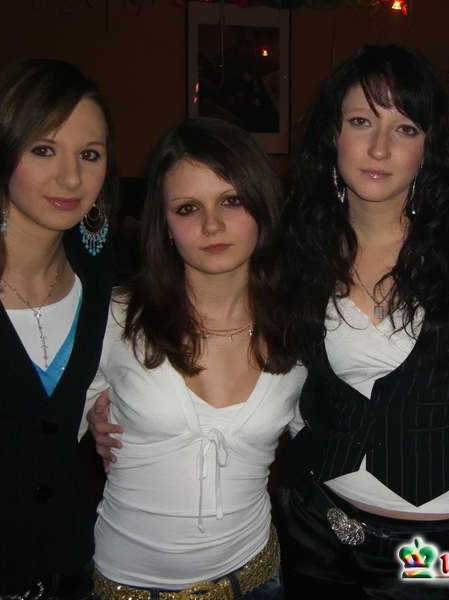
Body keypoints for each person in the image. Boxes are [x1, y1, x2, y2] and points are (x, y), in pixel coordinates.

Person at [274, 44, 449, 599]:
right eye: (361, 122)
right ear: (333, 133)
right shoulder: (295, 246)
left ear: (429, 147)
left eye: (405, 128)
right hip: (314, 526)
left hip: (432, 548)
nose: (379, 147)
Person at [83, 118, 306, 600]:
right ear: (164, 226)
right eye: (188, 208)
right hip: (126, 587)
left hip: (257, 580)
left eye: (232, 200)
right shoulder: (114, 317)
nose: (212, 225)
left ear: (262, 206)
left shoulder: (299, 327)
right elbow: (40, 427)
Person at [0, 59, 117, 598]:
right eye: (43, 150)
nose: (71, 178)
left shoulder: (100, 275)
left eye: (90, 154)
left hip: (70, 569)